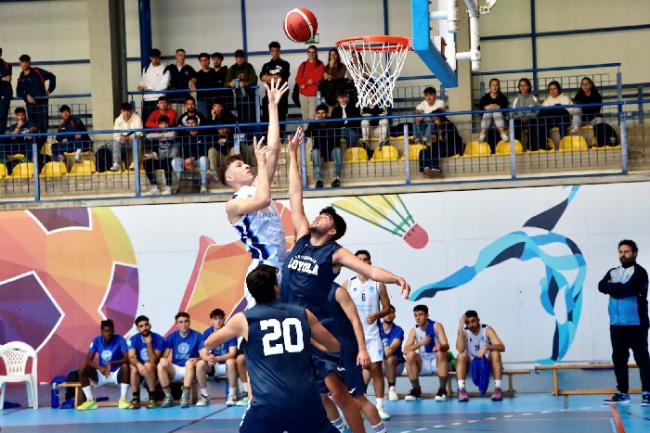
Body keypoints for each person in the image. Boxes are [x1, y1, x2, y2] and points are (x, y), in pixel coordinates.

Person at [284, 132, 410, 432]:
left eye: (325, 217)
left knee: (343, 394)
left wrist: (395, 278)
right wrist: (292, 155)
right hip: (295, 328)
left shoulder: (335, 252)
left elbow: (371, 269)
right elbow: (295, 196)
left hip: (322, 332)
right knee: (320, 393)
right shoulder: (302, 238)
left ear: (333, 231)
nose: (318, 216)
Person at [204, 265, 340, 433]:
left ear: (252, 292)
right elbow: (334, 346)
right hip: (305, 401)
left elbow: (209, 343)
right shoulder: (302, 313)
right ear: (277, 287)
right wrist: (308, 338)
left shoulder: (243, 320)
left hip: (268, 403)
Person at [219, 78, 288, 308]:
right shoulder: (233, 205)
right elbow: (263, 199)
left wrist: (272, 107)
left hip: (282, 265)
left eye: (245, 163)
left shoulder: (258, 185)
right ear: (230, 178)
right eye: (239, 166)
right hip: (263, 271)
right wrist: (261, 161)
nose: (246, 166)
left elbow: (275, 150)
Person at [321, 283, 388, 431]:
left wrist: (362, 349)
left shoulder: (338, 291)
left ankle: (381, 430)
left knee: (358, 397)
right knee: (323, 395)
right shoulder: (307, 290)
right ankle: (341, 428)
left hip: (345, 350)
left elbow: (355, 321)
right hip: (322, 352)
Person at [598, 239, 650, 406]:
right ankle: (622, 393)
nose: (623, 254)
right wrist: (618, 287)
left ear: (634, 253)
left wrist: (613, 287)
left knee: (642, 359)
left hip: (636, 324)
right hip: (616, 324)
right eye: (620, 251)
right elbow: (600, 286)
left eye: (626, 251)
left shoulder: (640, 272)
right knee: (619, 359)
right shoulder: (612, 271)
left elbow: (628, 289)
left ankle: (647, 393)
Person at [342, 250, 391, 420]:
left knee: (376, 369)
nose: (362, 262)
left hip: (372, 334)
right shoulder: (347, 284)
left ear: (369, 263)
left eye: (365, 260)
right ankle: (358, 406)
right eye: (359, 260)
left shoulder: (378, 284)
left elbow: (387, 308)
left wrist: (377, 315)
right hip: (354, 335)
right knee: (355, 372)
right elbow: (339, 307)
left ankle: (379, 406)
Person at [76, 320, 131, 410]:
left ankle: (123, 400)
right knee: (82, 368)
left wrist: (111, 363)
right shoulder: (96, 340)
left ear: (113, 330)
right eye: (105, 331)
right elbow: (88, 360)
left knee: (125, 366)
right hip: (101, 374)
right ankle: (90, 401)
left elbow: (126, 358)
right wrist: (100, 367)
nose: (108, 333)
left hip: (116, 374)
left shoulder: (120, 339)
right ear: (101, 331)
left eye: (110, 331)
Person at [455, 310, 506, 402]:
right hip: (472, 361)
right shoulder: (464, 331)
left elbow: (502, 347)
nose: (471, 325)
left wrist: (486, 346)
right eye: (468, 322)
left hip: (486, 360)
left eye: (473, 321)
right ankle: (462, 390)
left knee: (495, 353)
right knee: (461, 355)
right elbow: (460, 349)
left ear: (478, 320)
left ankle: (498, 389)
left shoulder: (487, 329)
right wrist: (460, 326)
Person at [403, 304, 450, 401]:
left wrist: (440, 347)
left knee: (442, 353)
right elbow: (405, 350)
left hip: (436, 361)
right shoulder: (414, 330)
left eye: (420, 315)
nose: (417, 318)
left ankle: (442, 390)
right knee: (410, 355)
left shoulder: (436, 325)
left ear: (427, 316)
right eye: (415, 315)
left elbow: (446, 345)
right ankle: (416, 390)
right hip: (423, 362)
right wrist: (420, 343)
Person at [157, 311, 203, 408]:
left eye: (186, 321)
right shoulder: (172, 337)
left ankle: (184, 397)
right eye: (181, 322)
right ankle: (168, 397)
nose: (184, 324)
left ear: (189, 322)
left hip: (190, 369)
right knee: (160, 365)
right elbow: (164, 356)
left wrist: (198, 358)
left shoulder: (197, 336)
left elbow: (203, 355)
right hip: (176, 369)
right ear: (177, 324)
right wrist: (162, 359)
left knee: (189, 363)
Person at [196, 308, 238, 407]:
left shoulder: (230, 331)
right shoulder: (207, 332)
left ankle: (232, 395)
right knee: (200, 364)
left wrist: (216, 358)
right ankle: (204, 396)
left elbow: (232, 353)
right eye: (215, 318)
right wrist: (208, 358)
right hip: (213, 366)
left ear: (224, 319)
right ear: (211, 320)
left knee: (231, 361)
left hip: (226, 365)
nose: (218, 321)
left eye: (220, 318)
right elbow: (202, 353)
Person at [127, 315, 165, 409]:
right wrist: (139, 365)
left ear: (150, 326)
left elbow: (153, 361)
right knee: (134, 368)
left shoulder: (159, 339)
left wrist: (149, 344)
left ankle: (152, 398)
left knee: (148, 365)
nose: (144, 328)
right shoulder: (133, 339)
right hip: (141, 370)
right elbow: (131, 357)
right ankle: (136, 398)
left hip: (154, 370)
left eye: (146, 325)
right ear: (137, 328)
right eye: (141, 326)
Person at [16, 54, 56, 134]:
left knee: (43, 126)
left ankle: (42, 145)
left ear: (29, 63)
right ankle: (36, 145)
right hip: (30, 106)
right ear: (20, 63)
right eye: (22, 62)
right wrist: (26, 96)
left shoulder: (37, 71)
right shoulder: (21, 77)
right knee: (33, 126)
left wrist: (49, 90)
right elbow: (18, 92)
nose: (24, 64)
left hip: (42, 103)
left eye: (26, 62)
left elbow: (52, 76)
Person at [418, 109, 463, 178]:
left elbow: (445, 139)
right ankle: (425, 169)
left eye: (435, 118)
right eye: (432, 119)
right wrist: (426, 143)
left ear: (440, 117)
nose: (434, 121)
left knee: (435, 149)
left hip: (451, 147)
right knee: (422, 151)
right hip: (441, 147)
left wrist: (440, 131)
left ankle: (436, 169)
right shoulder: (435, 127)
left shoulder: (449, 125)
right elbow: (434, 141)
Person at [574, 77, 618, 147]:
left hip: (593, 118)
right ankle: (580, 140)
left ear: (591, 85)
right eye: (583, 84)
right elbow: (576, 109)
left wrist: (584, 107)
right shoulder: (578, 96)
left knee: (599, 120)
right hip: (583, 119)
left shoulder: (596, 95)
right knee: (575, 117)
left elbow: (596, 110)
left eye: (587, 83)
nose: (584, 85)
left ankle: (598, 141)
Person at [99, 103, 143, 172]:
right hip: (122, 142)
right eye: (124, 111)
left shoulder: (137, 118)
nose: (126, 113)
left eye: (128, 111)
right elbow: (115, 134)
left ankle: (135, 163)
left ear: (131, 111)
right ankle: (116, 164)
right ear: (121, 111)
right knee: (115, 142)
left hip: (132, 140)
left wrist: (129, 137)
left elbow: (139, 132)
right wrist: (120, 138)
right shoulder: (118, 120)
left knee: (137, 140)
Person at [305, 104, 341, 189]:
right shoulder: (314, 123)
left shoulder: (333, 122)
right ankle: (319, 180)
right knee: (315, 152)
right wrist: (314, 122)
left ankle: (336, 179)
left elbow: (336, 139)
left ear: (327, 114)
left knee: (338, 151)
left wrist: (324, 156)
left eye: (323, 113)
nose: (320, 115)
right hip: (319, 151)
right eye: (318, 113)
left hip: (331, 150)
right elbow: (307, 134)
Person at [173, 116, 211, 193]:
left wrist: (192, 158)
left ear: (197, 124)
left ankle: (203, 184)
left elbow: (205, 150)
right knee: (174, 161)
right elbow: (180, 150)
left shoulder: (203, 134)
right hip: (186, 160)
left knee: (203, 159)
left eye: (193, 123)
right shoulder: (183, 135)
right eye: (189, 123)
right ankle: (179, 183)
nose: (191, 125)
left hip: (198, 160)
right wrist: (185, 160)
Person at [143, 115, 177, 195]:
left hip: (169, 159)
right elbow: (148, 136)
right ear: (158, 125)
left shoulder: (172, 132)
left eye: (165, 124)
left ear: (168, 125)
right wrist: (162, 134)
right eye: (161, 124)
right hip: (159, 159)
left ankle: (168, 188)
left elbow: (172, 135)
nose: (164, 126)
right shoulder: (157, 134)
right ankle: (154, 188)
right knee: (147, 163)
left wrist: (162, 135)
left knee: (168, 163)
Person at [260, 42, 291, 128]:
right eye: (273, 51)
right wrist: (275, 77)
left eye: (277, 50)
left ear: (280, 51)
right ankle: (268, 140)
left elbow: (281, 78)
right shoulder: (266, 65)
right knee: (268, 120)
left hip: (282, 96)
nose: (275, 53)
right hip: (269, 97)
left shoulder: (285, 64)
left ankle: (281, 140)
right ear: (270, 52)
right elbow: (262, 78)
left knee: (281, 121)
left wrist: (269, 78)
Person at [379, 305, 405, 401]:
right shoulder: (375, 329)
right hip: (379, 364)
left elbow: (393, 347)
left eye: (391, 312)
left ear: (394, 315)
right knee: (367, 364)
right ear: (381, 314)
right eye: (386, 312)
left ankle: (391, 389)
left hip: (396, 365)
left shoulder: (398, 330)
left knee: (390, 358)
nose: (389, 315)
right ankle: (361, 394)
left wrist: (382, 350)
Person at [225, 49, 258, 125]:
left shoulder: (249, 67)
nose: (239, 59)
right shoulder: (232, 68)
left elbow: (254, 80)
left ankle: (252, 135)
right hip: (238, 98)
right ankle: (243, 134)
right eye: (237, 58)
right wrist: (230, 84)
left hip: (250, 97)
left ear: (244, 58)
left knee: (252, 117)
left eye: (241, 57)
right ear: (235, 58)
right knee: (241, 117)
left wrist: (245, 83)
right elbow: (226, 83)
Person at [137, 48, 170, 122]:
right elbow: (143, 81)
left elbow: (164, 85)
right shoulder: (146, 68)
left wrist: (148, 88)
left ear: (159, 57)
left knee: (159, 121)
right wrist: (140, 86)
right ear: (150, 58)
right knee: (146, 121)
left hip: (159, 100)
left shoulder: (165, 69)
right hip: (147, 99)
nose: (154, 59)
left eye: (156, 57)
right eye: (152, 58)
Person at [5, 107, 39, 175]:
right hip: (16, 147)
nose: (21, 117)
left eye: (22, 114)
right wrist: (19, 126)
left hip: (27, 147)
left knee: (31, 141)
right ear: (16, 116)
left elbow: (34, 128)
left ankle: (27, 159)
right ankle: (3, 160)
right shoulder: (13, 126)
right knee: (5, 140)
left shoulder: (30, 123)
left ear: (25, 115)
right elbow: (13, 137)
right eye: (19, 115)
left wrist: (29, 132)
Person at [296, 45, 325, 122]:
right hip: (303, 94)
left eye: (313, 52)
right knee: (305, 116)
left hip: (313, 95)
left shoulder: (320, 64)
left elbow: (319, 78)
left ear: (316, 53)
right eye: (309, 52)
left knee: (312, 116)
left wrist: (305, 84)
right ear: (307, 53)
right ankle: (307, 133)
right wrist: (308, 81)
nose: (311, 54)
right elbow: (298, 79)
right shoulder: (303, 65)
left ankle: (312, 133)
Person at [478, 78, 509, 144]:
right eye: (493, 85)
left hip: (500, 122)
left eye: (496, 85)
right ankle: (483, 132)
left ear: (499, 86)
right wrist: (487, 108)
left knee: (496, 111)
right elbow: (480, 111)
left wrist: (497, 107)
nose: (494, 87)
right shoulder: (484, 98)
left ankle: (501, 132)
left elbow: (505, 111)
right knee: (488, 112)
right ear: (490, 87)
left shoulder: (503, 98)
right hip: (488, 123)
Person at [510, 78, 539, 145]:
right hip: (519, 120)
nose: (522, 87)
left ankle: (531, 148)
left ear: (528, 86)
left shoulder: (534, 98)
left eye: (525, 85)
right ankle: (518, 147)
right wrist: (520, 117)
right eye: (521, 85)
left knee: (534, 124)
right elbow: (511, 114)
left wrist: (527, 117)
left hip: (530, 120)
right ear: (519, 87)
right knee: (515, 124)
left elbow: (537, 113)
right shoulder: (516, 99)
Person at [0, 48, 12, 135]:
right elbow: (4, 78)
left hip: (4, 92)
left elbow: (8, 79)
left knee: (2, 116)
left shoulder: (6, 65)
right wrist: (1, 78)